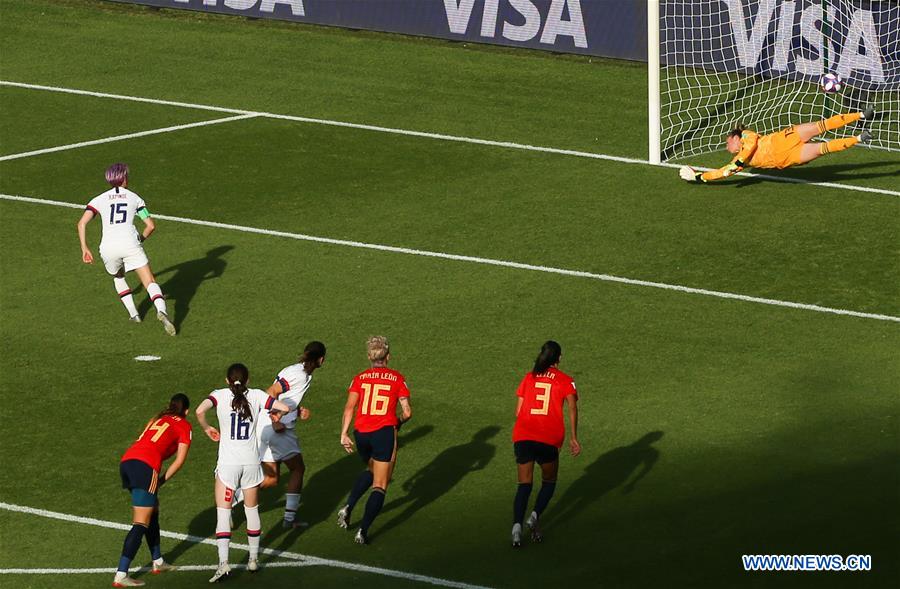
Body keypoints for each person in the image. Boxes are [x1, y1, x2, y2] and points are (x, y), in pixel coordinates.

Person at [195, 363, 289, 583]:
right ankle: (254, 559)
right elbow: (284, 407)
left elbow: (199, 411)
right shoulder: (257, 395)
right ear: (247, 380)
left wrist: (207, 427)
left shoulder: (218, 395)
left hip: (228, 465)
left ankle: (223, 564)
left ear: (228, 380)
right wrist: (275, 415)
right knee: (252, 511)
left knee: (223, 513)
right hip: (251, 464)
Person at [76, 163, 175, 335]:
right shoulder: (135, 198)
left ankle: (134, 314)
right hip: (130, 244)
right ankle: (161, 310)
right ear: (124, 178)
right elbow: (150, 226)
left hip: (108, 248)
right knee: (149, 281)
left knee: (118, 276)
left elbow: (82, 223)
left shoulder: (99, 199)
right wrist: (140, 240)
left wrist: (85, 248)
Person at [337, 336, 412, 544]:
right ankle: (363, 530)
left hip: (361, 434)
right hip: (383, 433)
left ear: (369, 357)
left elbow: (349, 408)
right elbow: (407, 412)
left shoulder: (359, 378)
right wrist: (397, 422)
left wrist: (344, 434)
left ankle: (349, 506)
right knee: (381, 483)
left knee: (371, 469)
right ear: (388, 356)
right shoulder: (397, 379)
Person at [114, 394, 192, 587]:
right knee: (141, 522)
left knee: (153, 510)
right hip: (145, 466)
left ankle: (158, 561)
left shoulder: (157, 418)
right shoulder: (184, 425)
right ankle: (121, 574)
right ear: (186, 411)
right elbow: (179, 461)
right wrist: (161, 480)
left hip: (128, 461)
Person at [679, 107, 875, 183]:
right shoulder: (740, 161)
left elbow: (751, 146)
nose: (727, 145)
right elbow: (723, 172)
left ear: (735, 137)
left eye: (728, 141)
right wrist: (699, 176)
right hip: (786, 158)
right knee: (822, 148)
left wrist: (738, 162)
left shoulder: (747, 137)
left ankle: (859, 115)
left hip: (785, 138)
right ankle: (859, 138)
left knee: (819, 126)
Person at [511, 340, 581, 548]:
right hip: (548, 438)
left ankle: (516, 529)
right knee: (548, 483)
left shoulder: (529, 377)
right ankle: (534, 517)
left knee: (524, 485)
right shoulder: (566, 381)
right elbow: (572, 408)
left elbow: (518, 411)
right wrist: (573, 437)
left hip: (523, 436)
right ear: (558, 358)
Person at [259, 340, 327, 529]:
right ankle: (289, 520)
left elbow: (283, 399)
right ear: (320, 359)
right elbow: (271, 392)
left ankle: (230, 500)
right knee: (298, 469)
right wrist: (276, 420)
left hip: (265, 428)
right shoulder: (300, 375)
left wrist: (297, 411)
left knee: (271, 480)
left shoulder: (295, 370)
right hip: (277, 430)